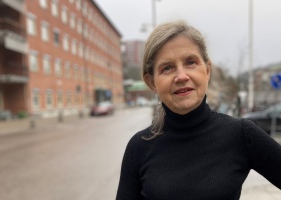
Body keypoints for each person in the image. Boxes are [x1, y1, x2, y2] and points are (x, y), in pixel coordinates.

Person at [116, 20, 281, 200]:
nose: (181, 76)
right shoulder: (139, 147)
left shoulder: (241, 134)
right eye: (167, 68)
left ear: (207, 70)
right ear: (151, 82)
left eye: (190, 62)